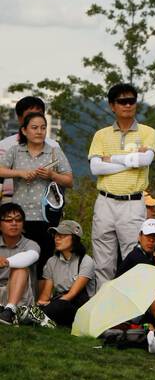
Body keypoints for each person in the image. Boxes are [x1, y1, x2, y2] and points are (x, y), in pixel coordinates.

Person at [88, 83, 155, 289]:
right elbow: (95, 168)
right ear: (112, 105)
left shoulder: (147, 132)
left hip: (133, 202)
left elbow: (145, 161)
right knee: (103, 261)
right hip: (105, 201)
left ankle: (130, 315)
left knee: (133, 257)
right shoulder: (101, 135)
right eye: (122, 101)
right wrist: (130, 160)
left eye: (132, 101)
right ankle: (102, 313)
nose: (128, 105)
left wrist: (112, 159)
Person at [0, 110, 74, 274]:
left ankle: (41, 300)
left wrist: (52, 175)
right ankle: (19, 298)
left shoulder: (54, 151)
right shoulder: (15, 151)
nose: (39, 131)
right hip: (20, 217)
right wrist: (19, 173)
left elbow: (69, 181)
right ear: (24, 130)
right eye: (34, 128)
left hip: (46, 217)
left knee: (44, 265)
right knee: (20, 262)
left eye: (43, 127)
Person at [35, 220, 96, 327]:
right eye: (56, 235)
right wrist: (41, 303)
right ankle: (37, 317)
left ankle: (37, 318)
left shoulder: (86, 261)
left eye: (62, 236)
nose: (57, 239)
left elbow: (72, 294)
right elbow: (46, 294)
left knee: (61, 305)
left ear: (74, 238)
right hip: (60, 302)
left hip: (80, 307)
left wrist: (51, 305)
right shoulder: (52, 261)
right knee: (46, 305)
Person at [0, 204, 40, 323]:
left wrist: (6, 262)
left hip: (21, 298)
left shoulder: (31, 245)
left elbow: (31, 256)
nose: (14, 223)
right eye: (8, 220)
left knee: (20, 268)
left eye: (18, 220)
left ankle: (9, 312)